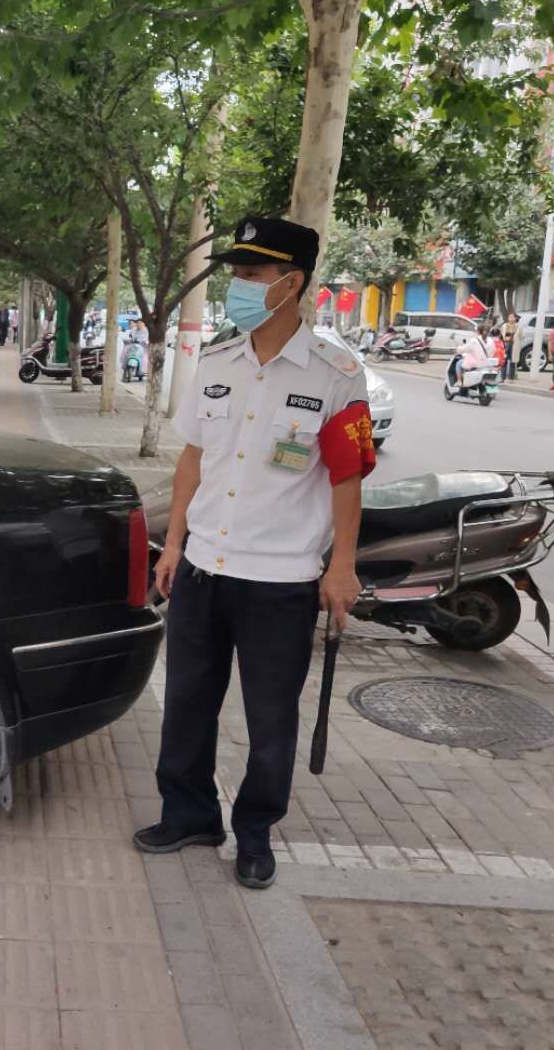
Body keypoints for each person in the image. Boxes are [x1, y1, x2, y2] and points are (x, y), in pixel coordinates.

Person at [135, 216, 375, 891]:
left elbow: (347, 480)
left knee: (270, 720)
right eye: (236, 272)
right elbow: (192, 460)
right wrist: (174, 544)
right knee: (187, 703)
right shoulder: (217, 363)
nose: (237, 285)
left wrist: (342, 566)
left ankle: (255, 831)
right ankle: (189, 814)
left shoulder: (337, 375)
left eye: (251, 274)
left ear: (290, 283)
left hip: (280, 579)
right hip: (204, 567)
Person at [501, 312, 521, 382]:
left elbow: (522, 336)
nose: (511, 319)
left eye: (513, 317)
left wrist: (515, 338)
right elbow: (502, 335)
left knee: (513, 362)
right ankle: (503, 378)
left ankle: (511, 378)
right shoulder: (504, 325)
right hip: (505, 344)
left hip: (514, 345)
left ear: (515, 318)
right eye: (510, 317)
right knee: (504, 361)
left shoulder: (519, 326)